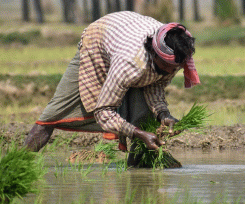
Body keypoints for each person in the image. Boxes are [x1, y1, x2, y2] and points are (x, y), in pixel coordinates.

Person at [23, 11, 200, 164]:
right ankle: (17, 163)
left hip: (125, 32)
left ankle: (137, 173)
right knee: (53, 114)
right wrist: (138, 134)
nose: (171, 72)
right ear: (154, 54)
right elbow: (103, 112)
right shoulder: (129, 64)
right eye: (168, 67)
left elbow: (155, 84)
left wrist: (163, 114)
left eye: (175, 68)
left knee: (145, 117)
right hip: (98, 41)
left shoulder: (173, 56)